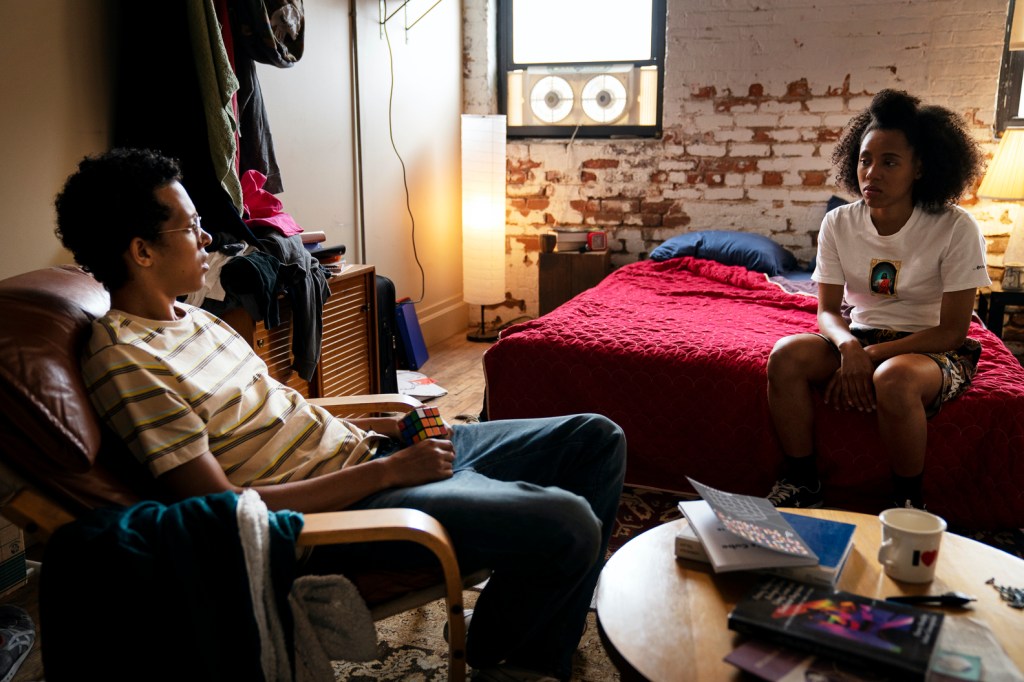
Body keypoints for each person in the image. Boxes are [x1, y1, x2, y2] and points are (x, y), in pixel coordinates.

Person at [54, 147, 627, 682]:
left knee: (596, 438)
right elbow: (225, 510)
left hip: (371, 455)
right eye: (189, 226)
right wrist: (388, 473)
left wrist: (378, 430)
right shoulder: (125, 360)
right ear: (142, 251)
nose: (206, 237)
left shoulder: (195, 319)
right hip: (345, 503)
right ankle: (514, 661)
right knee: (569, 522)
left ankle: (521, 640)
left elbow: (281, 413)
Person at [765, 89, 990, 511]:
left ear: (919, 168)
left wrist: (872, 356)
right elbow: (828, 312)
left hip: (930, 346)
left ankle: (908, 504)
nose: (872, 173)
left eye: (889, 162)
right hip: (862, 335)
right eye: (865, 160)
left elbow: (952, 330)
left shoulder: (956, 228)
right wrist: (850, 346)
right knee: (786, 355)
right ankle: (802, 480)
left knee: (894, 379)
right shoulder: (838, 222)